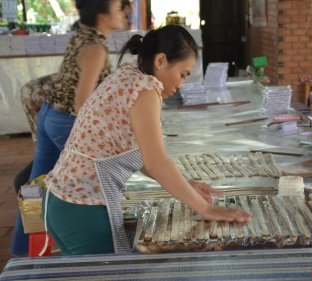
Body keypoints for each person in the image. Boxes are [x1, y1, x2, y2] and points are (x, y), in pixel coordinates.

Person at [42, 25, 251, 255]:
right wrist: (204, 208)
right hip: (82, 209)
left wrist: (186, 185)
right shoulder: (145, 89)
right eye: (182, 74)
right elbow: (156, 161)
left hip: (62, 202)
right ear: (161, 60)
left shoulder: (128, 76)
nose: (181, 84)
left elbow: (142, 155)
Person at [10, 0, 124, 256]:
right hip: (67, 121)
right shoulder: (96, 47)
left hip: (50, 114)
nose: (123, 13)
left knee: (33, 187)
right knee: (90, 183)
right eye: (118, 8)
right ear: (104, 15)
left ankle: (23, 250)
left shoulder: (83, 35)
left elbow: (66, 79)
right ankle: (91, 241)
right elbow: (82, 100)